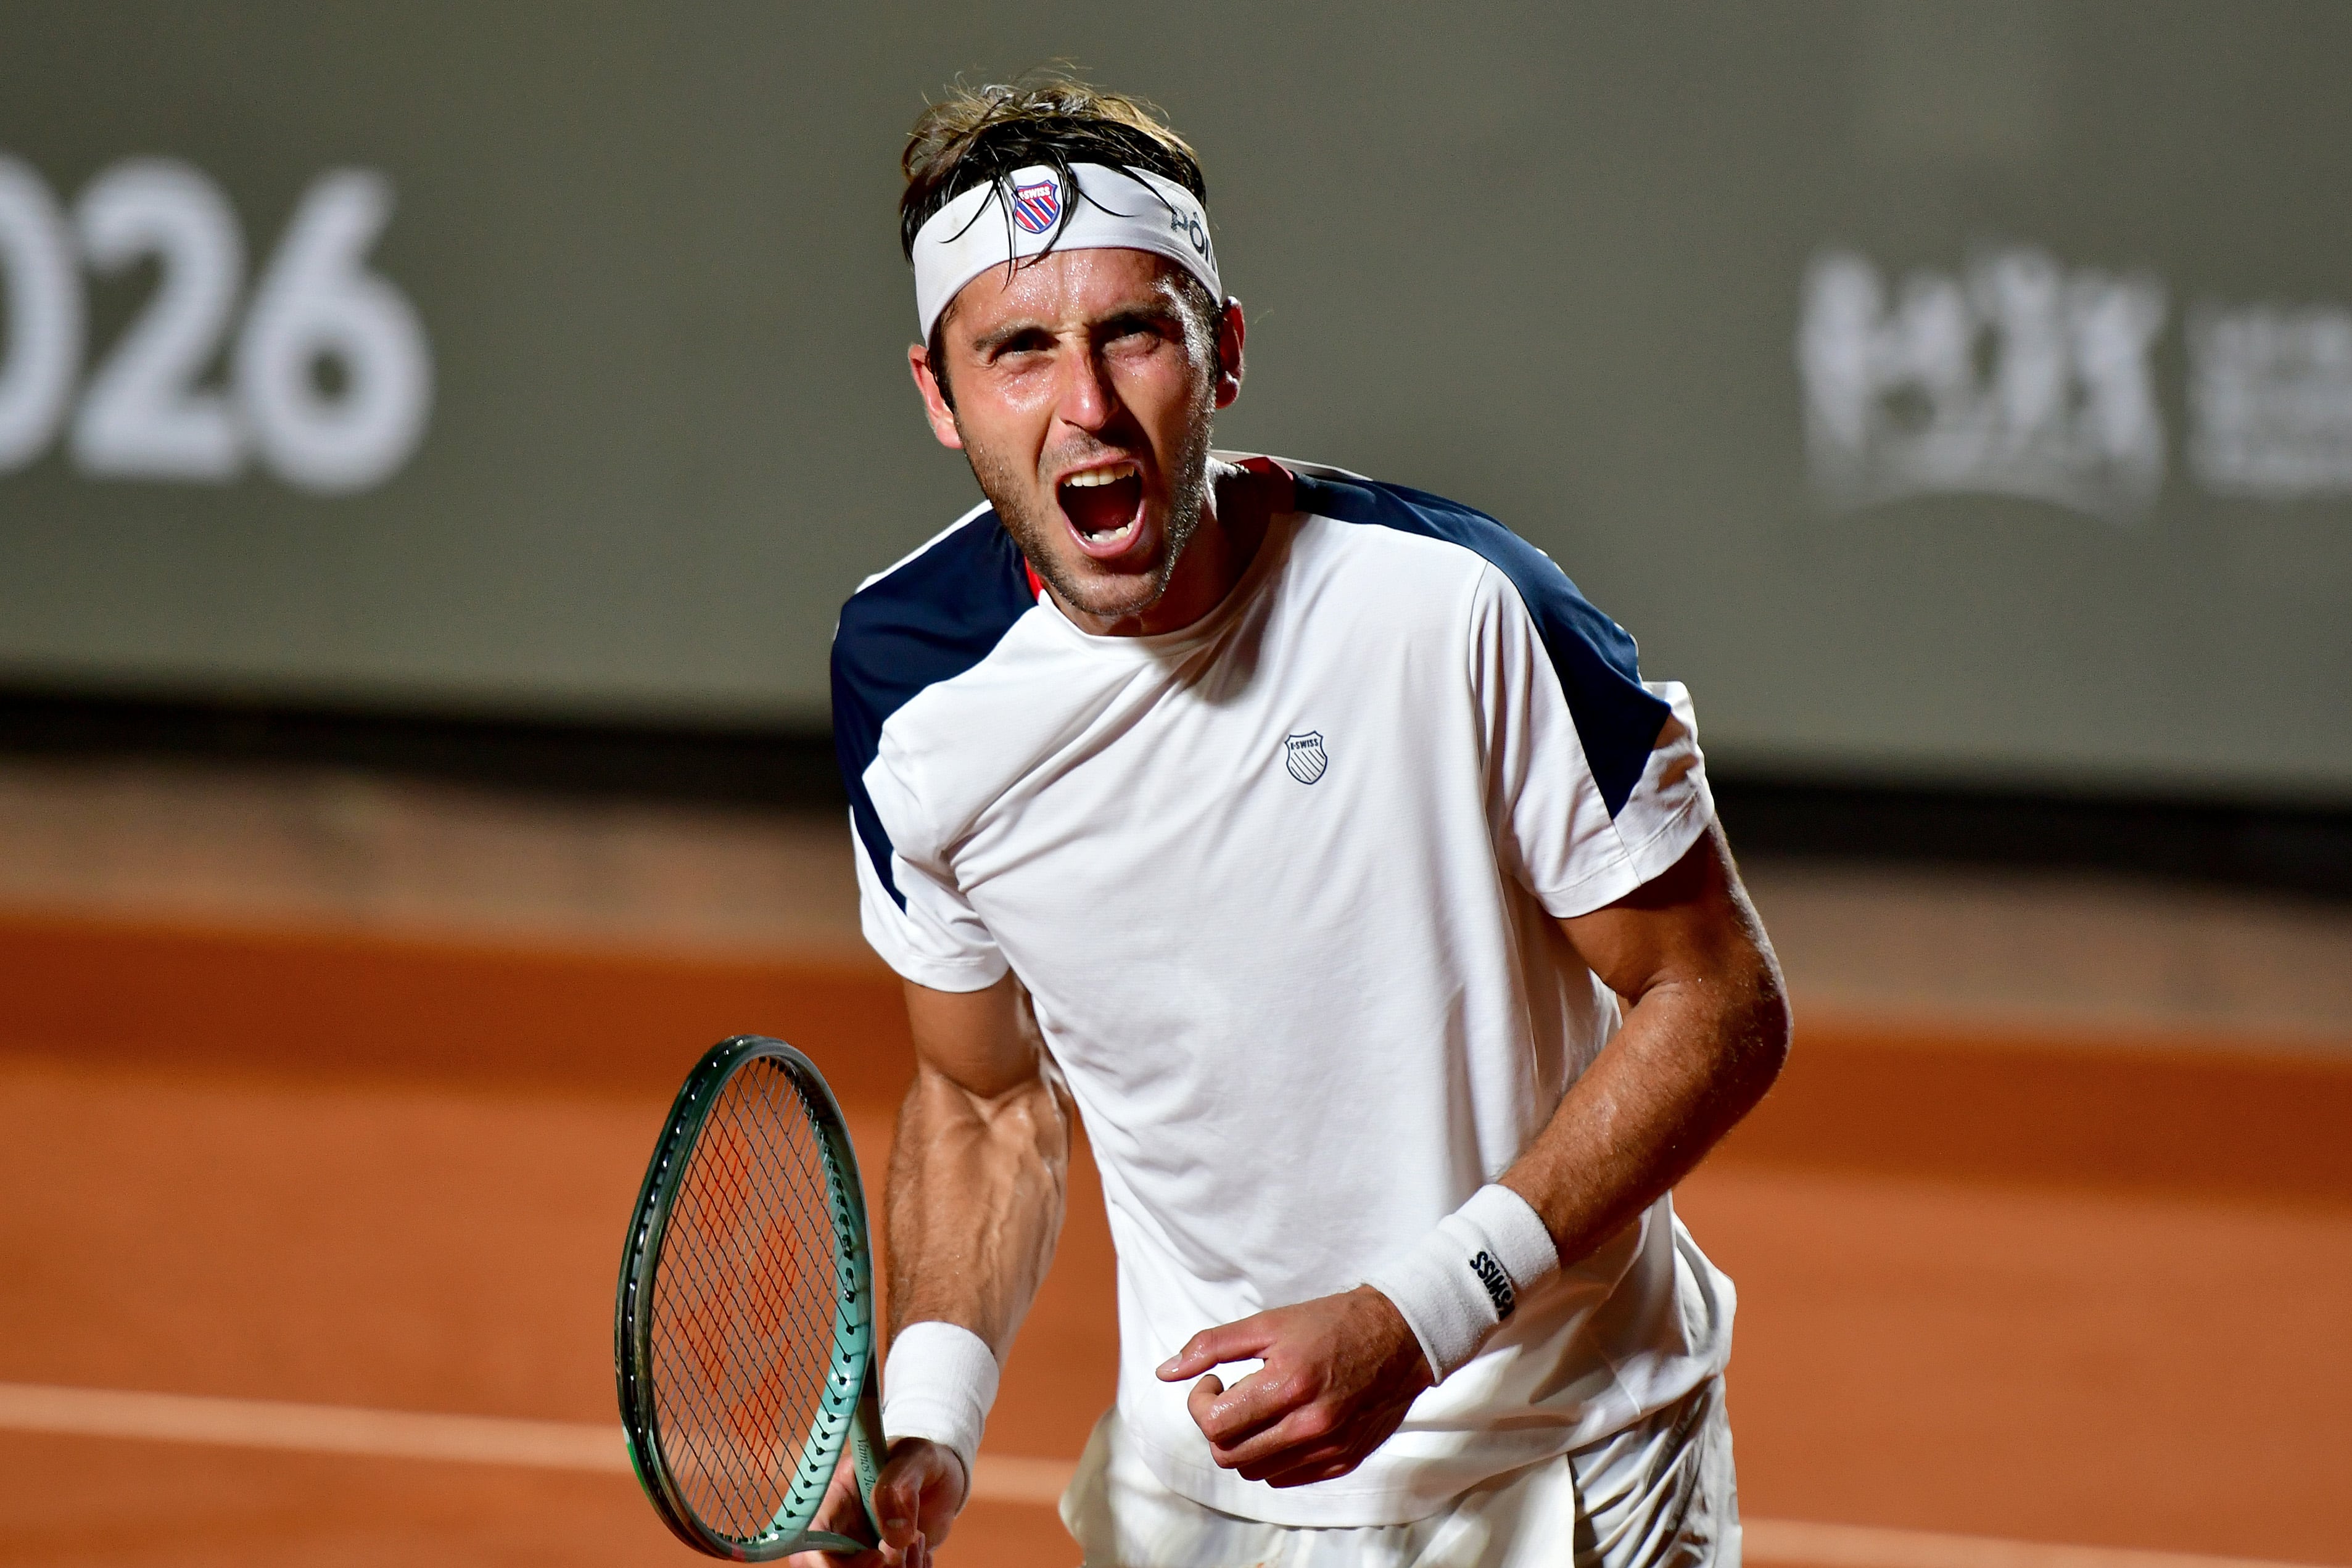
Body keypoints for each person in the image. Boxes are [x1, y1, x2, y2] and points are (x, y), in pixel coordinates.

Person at [810, 74, 1791, 1568]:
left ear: (1224, 354)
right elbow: (984, 1095)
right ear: (939, 397)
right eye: (1016, 349)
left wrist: (1423, 1309)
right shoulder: (906, 684)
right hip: (1202, 1499)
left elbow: (1714, 996)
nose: (1083, 403)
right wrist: (927, 1417)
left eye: (1132, 331)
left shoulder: (1465, 607)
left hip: (1564, 1472)